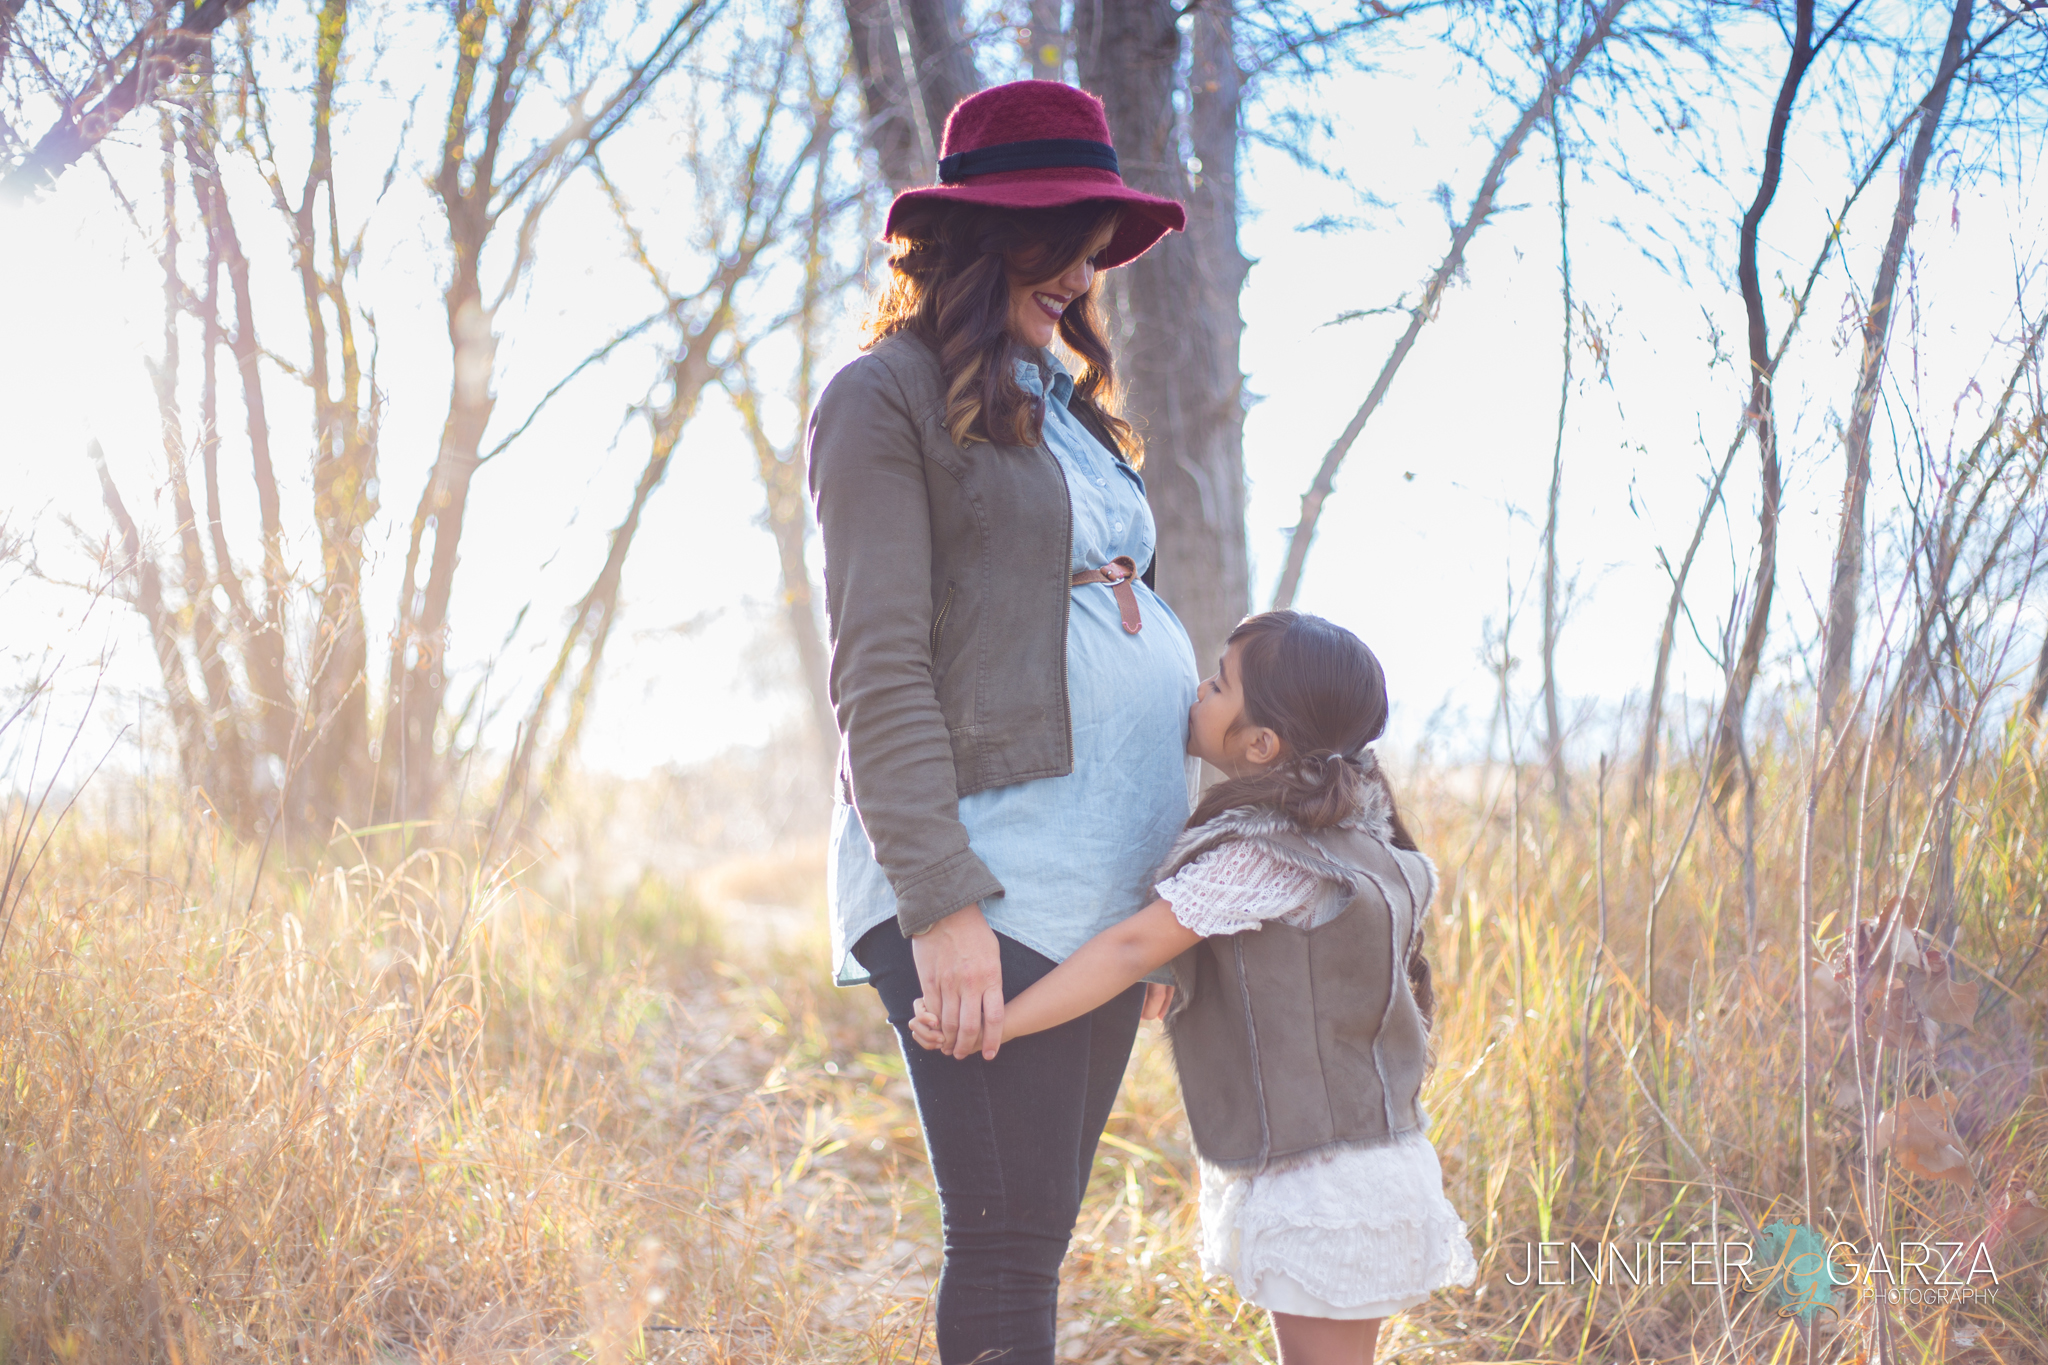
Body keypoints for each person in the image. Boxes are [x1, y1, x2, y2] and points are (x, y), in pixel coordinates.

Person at [805, 79, 1197, 1364]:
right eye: (1063, 236)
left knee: (1038, 1228)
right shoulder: (886, 398)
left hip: (1098, 879)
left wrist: (1168, 893)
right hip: (983, 874)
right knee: (1004, 1238)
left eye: (1096, 241)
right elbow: (877, 664)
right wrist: (940, 903)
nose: (1085, 270)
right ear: (981, 242)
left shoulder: (1067, 411)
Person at [911, 611, 1479, 1365]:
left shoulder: (1267, 856)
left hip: (1321, 1181)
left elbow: (1130, 944)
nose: (1197, 692)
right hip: (1372, 1161)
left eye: (1217, 683)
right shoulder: (1373, 845)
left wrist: (1004, 1021)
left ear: (1260, 743)